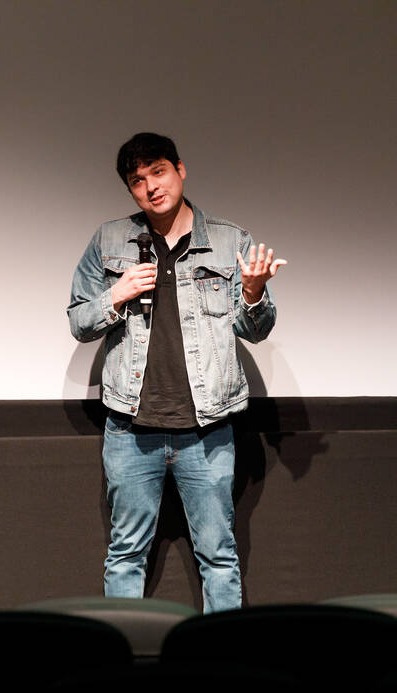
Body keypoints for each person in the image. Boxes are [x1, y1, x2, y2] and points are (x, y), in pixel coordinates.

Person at [67, 133, 287, 613]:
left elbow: (256, 329)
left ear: (180, 169)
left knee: (219, 556)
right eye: (137, 180)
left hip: (206, 432)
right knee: (125, 555)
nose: (150, 187)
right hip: (130, 429)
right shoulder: (109, 240)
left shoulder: (230, 240)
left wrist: (251, 292)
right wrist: (117, 294)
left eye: (158, 172)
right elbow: (79, 322)